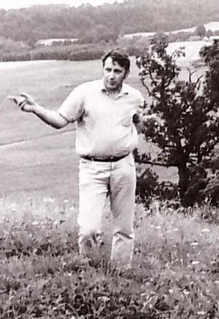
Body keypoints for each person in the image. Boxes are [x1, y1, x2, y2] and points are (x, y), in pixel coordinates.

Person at [13, 50, 145, 268]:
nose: (111, 76)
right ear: (103, 69)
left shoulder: (134, 97)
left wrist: (146, 121)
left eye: (117, 71)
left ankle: (121, 272)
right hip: (92, 168)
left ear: (126, 73)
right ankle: (90, 271)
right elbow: (59, 120)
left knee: (124, 227)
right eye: (108, 70)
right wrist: (35, 108)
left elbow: (140, 123)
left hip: (123, 166)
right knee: (89, 229)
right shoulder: (85, 93)